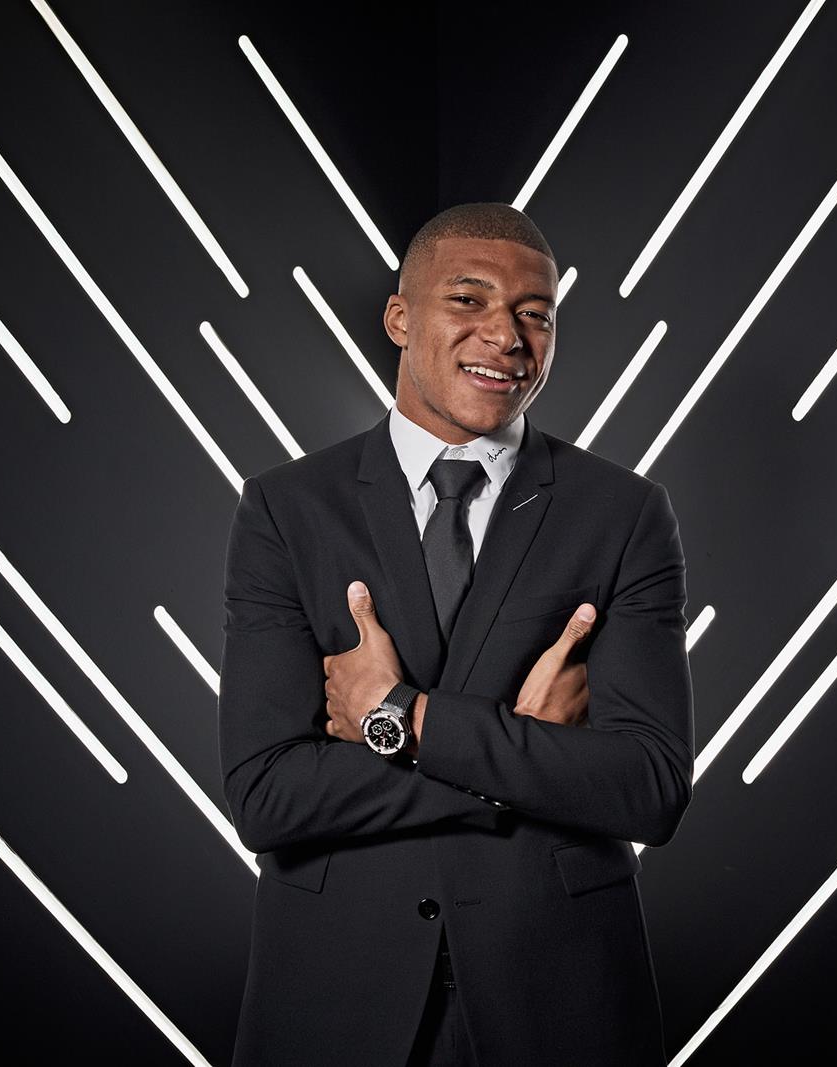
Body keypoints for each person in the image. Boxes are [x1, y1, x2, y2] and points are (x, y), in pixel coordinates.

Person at [218, 202, 694, 1066]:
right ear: (401, 317)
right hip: (332, 997)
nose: (507, 336)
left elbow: (649, 787)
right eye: (469, 301)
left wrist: (401, 715)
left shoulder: (625, 514)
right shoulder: (287, 510)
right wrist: (529, 753)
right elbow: (267, 795)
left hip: (561, 997)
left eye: (535, 315)